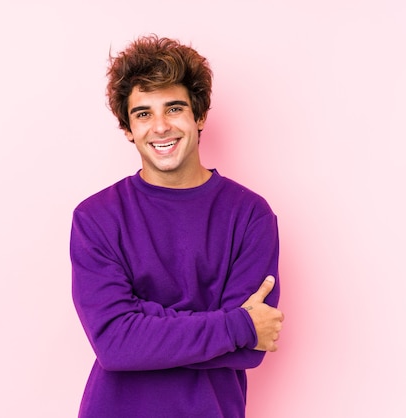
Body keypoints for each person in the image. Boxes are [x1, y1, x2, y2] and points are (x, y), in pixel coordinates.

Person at [70, 34, 284, 418]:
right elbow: (115, 344)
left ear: (199, 116)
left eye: (174, 108)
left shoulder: (250, 215)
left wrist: (143, 327)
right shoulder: (95, 218)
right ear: (128, 128)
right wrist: (236, 325)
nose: (160, 127)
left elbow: (253, 348)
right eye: (143, 114)